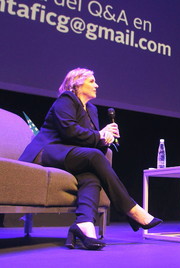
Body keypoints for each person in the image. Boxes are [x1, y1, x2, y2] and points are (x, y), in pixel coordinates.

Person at [19, 68, 162, 250]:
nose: (97, 85)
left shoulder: (91, 110)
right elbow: (69, 131)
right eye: (92, 81)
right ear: (77, 83)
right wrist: (99, 135)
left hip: (69, 154)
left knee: (91, 176)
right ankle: (130, 208)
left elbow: (90, 142)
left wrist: (105, 139)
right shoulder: (67, 99)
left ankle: (84, 225)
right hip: (48, 152)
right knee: (93, 157)